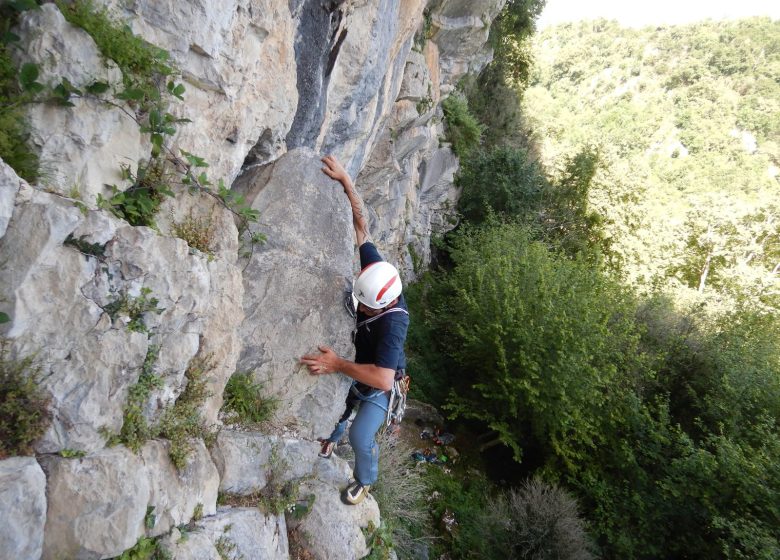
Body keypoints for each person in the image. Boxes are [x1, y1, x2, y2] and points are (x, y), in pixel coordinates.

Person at [300, 154, 410, 506]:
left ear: (385, 305)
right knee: (338, 412)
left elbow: (380, 379)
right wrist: (347, 181)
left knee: (362, 435)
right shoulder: (380, 277)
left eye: (365, 306)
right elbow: (362, 227)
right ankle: (329, 440)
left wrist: (338, 365)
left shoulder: (394, 324)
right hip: (362, 361)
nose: (359, 307)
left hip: (380, 376)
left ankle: (365, 479)